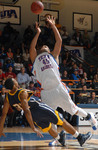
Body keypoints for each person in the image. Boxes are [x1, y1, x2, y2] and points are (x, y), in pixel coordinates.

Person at [29, 15, 97, 138]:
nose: (45, 46)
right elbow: (32, 48)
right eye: (43, 46)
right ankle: (57, 139)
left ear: (49, 51)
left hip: (58, 88)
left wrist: (53, 26)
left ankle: (89, 117)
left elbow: (59, 41)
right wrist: (38, 32)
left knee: (73, 110)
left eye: (47, 46)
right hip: (46, 92)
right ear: (40, 50)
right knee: (51, 117)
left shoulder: (53, 56)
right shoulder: (36, 59)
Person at [0, 78, 92, 147]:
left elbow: (4, 114)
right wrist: (33, 128)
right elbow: (27, 110)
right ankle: (80, 138)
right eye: (14, 81)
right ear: (14, 86)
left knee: (48, 127)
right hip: (39, 108)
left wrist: (0, 130)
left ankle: (60, 139)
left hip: (34, 117)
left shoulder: (8, 98)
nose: (16, 81)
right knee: (61, 120)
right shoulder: (22, 93)